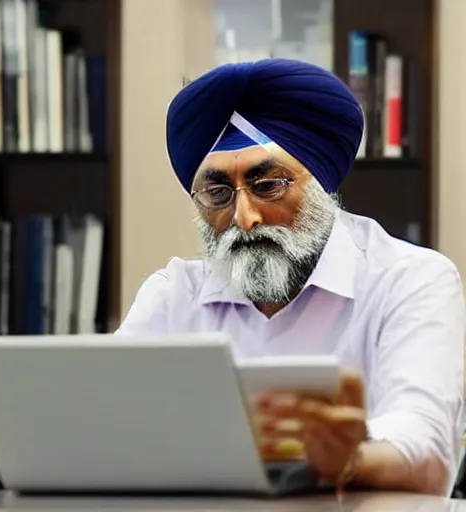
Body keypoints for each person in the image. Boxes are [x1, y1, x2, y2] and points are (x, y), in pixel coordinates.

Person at [116, 59, 465, 496]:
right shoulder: (173, 298)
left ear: (320, 183)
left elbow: (428, 454)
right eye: (218, 193)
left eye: (268, 185)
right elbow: (110, 428)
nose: (245, 219)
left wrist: (348, 458)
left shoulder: (409, 280)